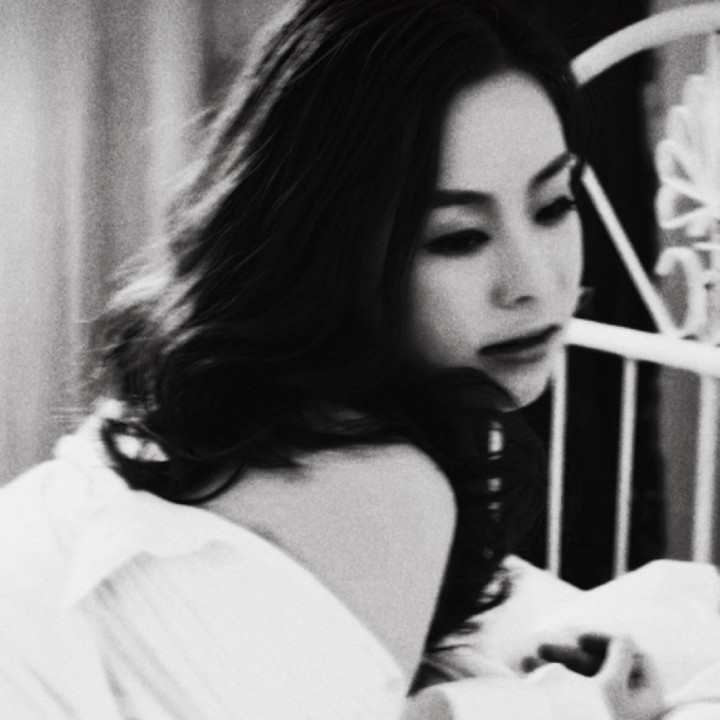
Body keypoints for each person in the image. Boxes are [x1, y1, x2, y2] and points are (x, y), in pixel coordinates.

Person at [0, 0, 664, 718]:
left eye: (554, 205)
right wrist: (583, 706)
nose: (533, 281)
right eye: (456, 237)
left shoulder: (206, 408)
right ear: (327, 248)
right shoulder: (377, 482)